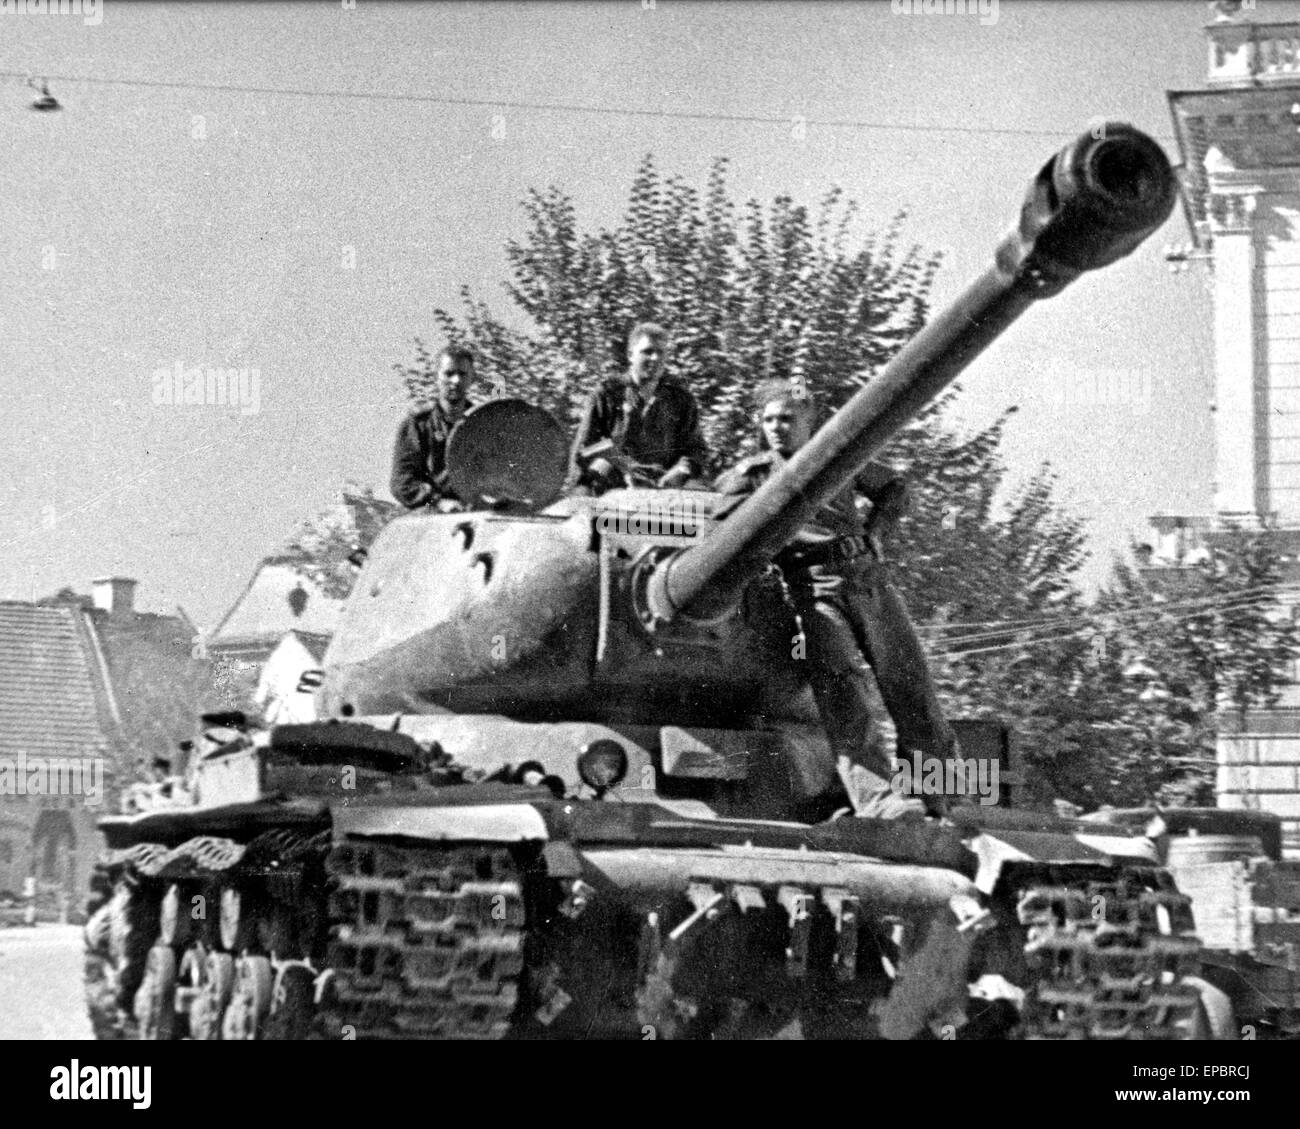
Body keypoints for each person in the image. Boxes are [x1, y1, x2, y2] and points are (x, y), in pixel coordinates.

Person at [714, 378, 958, 818]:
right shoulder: (753, 475)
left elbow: (895, 487)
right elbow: (719, 521)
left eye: (787, 419)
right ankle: (878, 799)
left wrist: (877, 533)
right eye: (769, 420)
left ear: (810, 423)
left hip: (868, 577)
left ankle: (936, 794)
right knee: (844, 691)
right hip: (813, 585)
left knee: (911, 683)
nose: (777, 427)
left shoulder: (837, 459)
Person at [570, 322, 709, 491]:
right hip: (613, 484)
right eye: (647, 352)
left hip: (663, 485)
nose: (655, 358)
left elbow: (696, 449)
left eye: (660, 352)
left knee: (700, 492)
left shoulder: (681, 400)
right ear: (630, 355)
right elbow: (583, 449)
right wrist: (622, 465)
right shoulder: (606, 394)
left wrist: (681, 470)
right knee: (587, 483)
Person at [390, 346, 477, 511]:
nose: (456, 380)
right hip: (432, 513)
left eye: (462, 374)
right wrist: (437, 502)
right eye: (449, 374)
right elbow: (402, 483)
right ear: (436, 377)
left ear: (473, 378)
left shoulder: (484, 424)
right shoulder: (418, 425)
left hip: (478, 512)